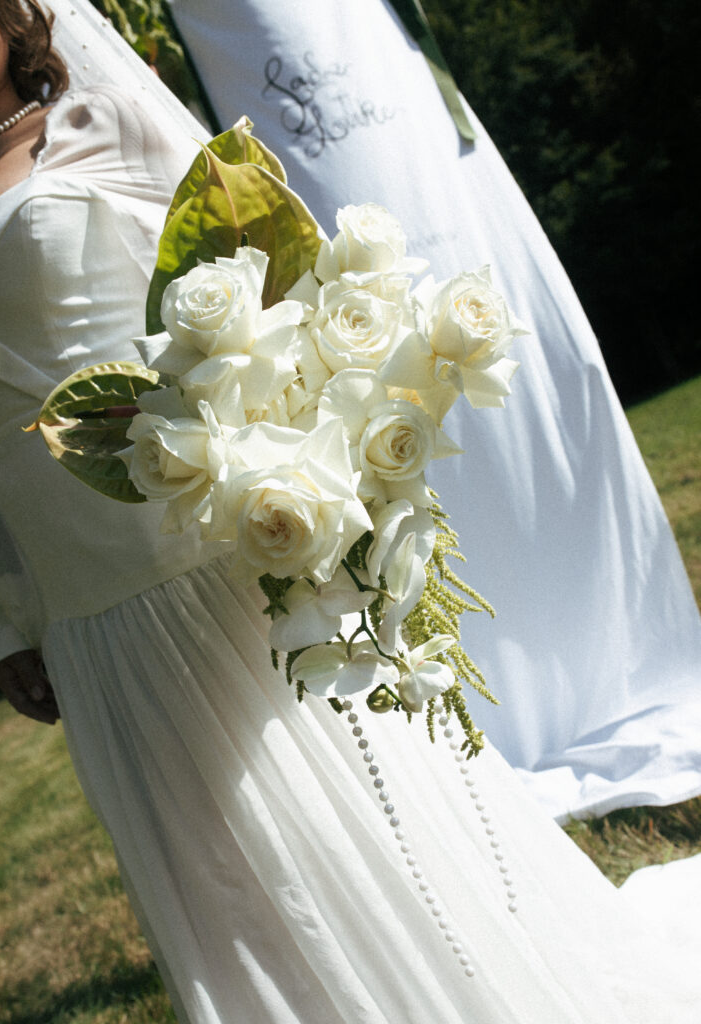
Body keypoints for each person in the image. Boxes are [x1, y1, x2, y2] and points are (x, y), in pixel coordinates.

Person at [0, 0, 701, 1021]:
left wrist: (301, 458)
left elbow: (271, 273)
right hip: (80, 599)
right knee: (209, 866)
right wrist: (5, 616)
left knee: (341, 818)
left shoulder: (103, 124)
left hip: (198, 549)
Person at [165, 0, 701, 822]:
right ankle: (470, 719)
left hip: (401, 124)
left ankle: (613, 659)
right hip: (277, 143)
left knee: (501, 401)